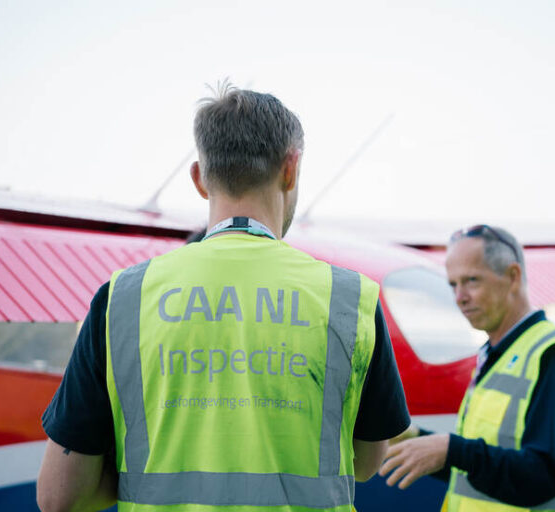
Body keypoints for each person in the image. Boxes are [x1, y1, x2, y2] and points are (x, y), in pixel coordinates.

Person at [37, 86, 410, 511]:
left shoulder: (123, 298)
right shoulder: (349, 298)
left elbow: (58, 497)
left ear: (199, 178)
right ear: (291, 169)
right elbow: (365, 462)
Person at [379, 224, 555, 510]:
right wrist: (421, 441)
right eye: (453, 284)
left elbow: (541, 477)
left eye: (472, 280)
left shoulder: (551, 355)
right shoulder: (495, 354)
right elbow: (482, 467)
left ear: (512, 277)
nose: (460, 296)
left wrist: (452, 449)